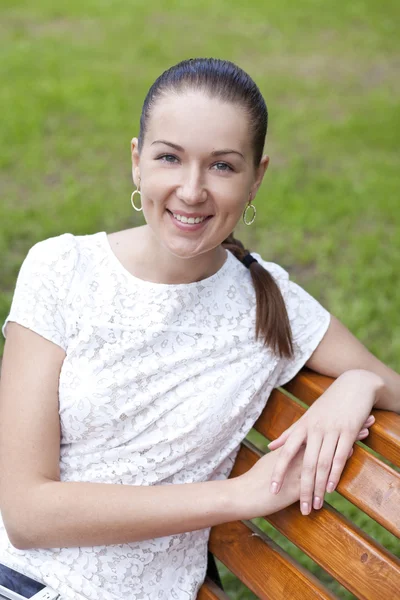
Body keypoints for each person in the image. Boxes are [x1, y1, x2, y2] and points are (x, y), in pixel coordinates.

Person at [0, 57, 398, 600]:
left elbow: (390, 385)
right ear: (137, 162)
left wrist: (362, 384)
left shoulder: (269, 302)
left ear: (257, 177)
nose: (191, 190)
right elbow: (27, 514)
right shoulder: (62, 270)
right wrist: (240, 497)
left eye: (222, 166)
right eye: (170, 158)